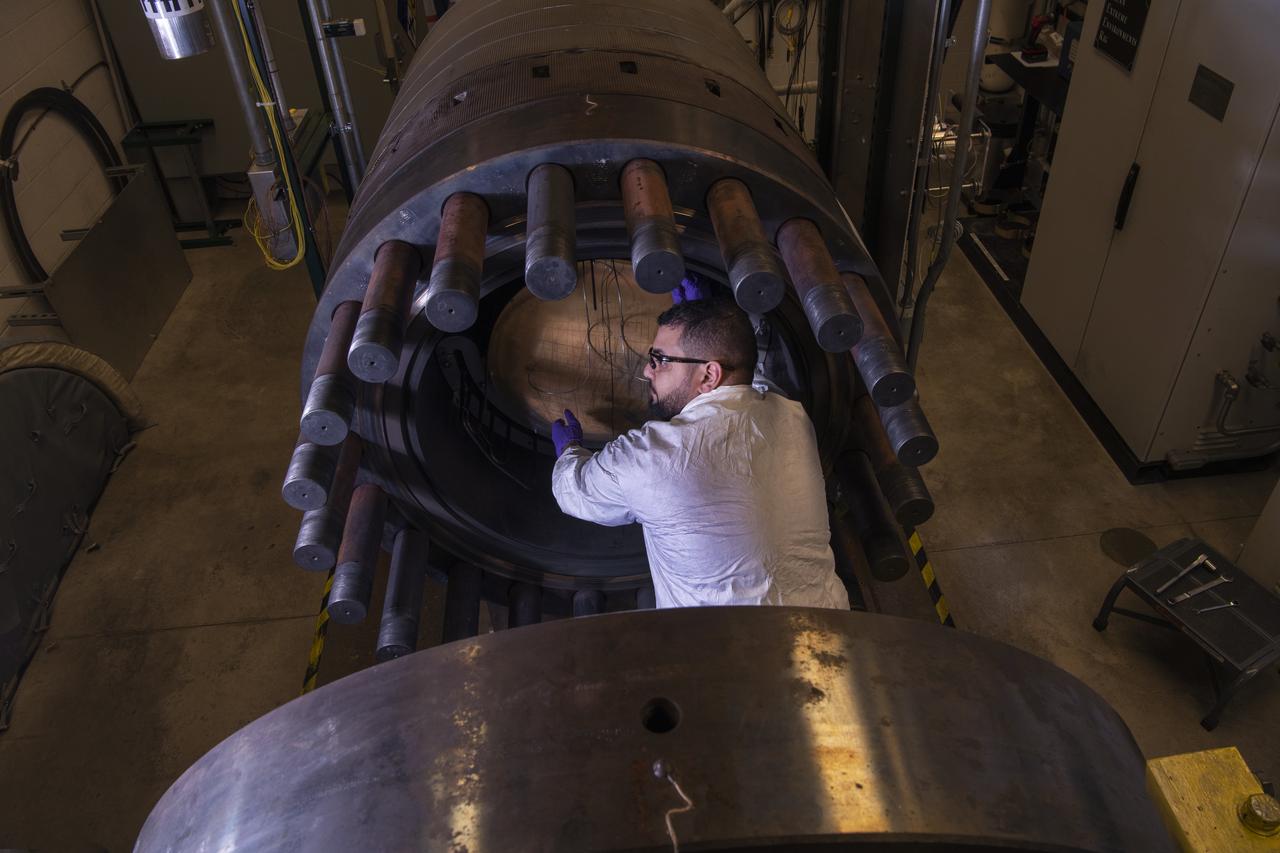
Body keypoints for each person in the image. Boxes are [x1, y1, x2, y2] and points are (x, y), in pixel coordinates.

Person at [549, 278, 849, 610]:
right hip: (824, 639)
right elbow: (751, 388)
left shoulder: (650, 457)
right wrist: (712, 320)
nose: (648, 371)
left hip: (718, 655)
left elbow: (575, 493)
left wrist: (569, 451)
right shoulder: (793, 418)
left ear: (708, 375)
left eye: (660, 360)